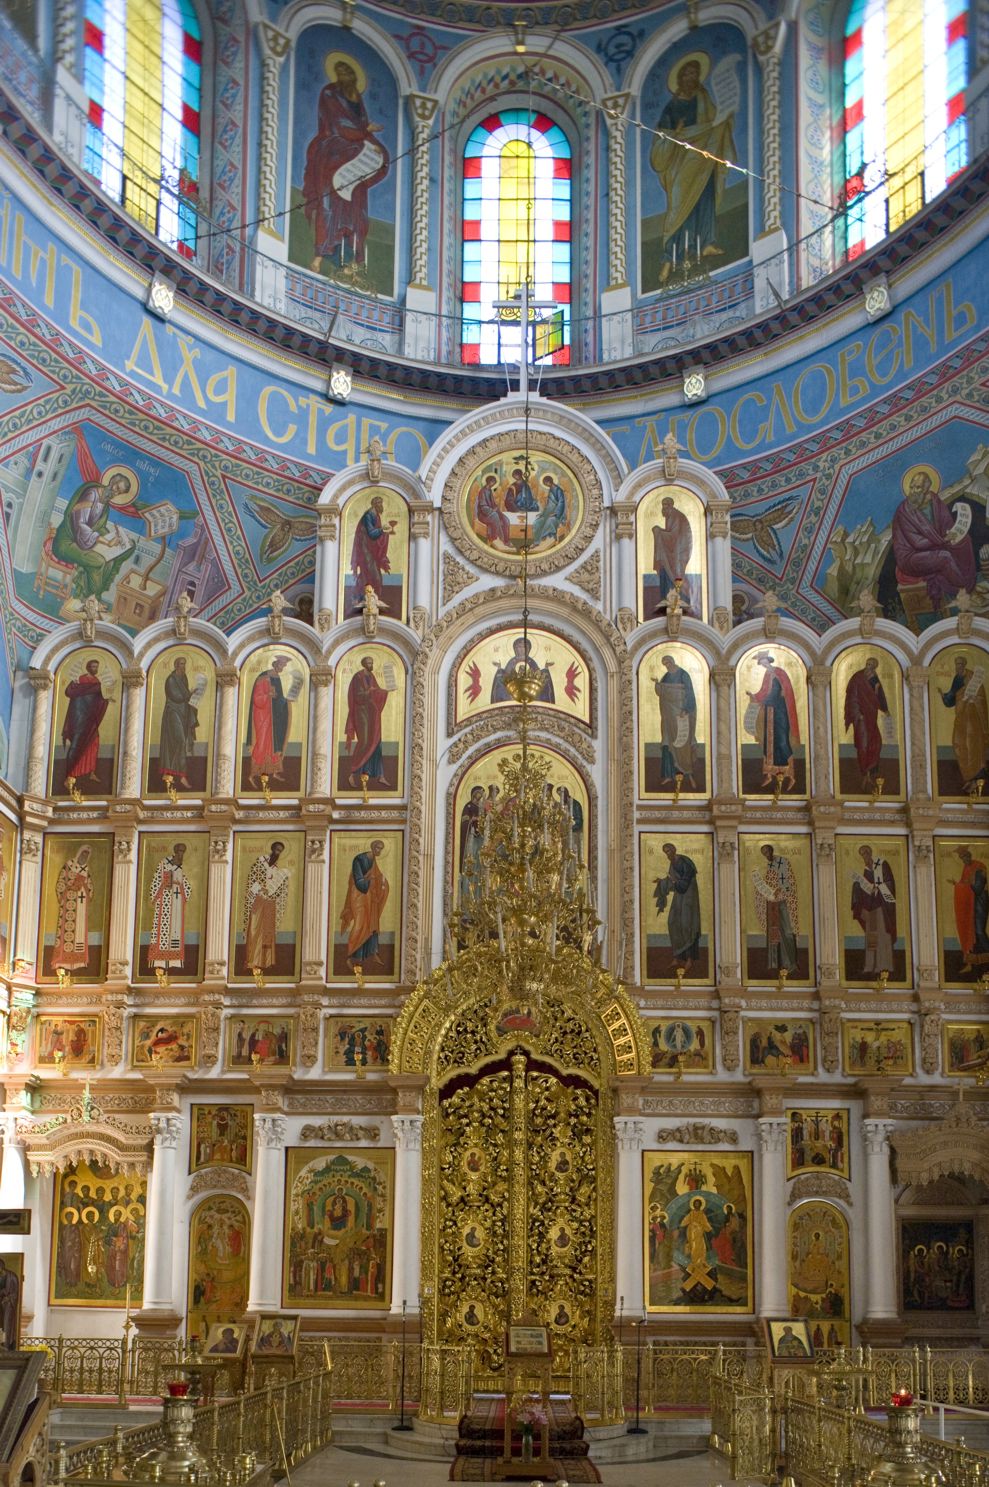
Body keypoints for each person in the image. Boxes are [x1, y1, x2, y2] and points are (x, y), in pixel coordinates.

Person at [650, 53, 737, 285]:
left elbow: (713, 124)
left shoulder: (703, 97)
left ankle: (705, 243)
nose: (691, 77)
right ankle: (670, 258)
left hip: (703, 159)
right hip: (680, 163)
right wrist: (676, 135)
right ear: (679, 78)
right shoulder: (671, 107)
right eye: (686, 73)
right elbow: (662, 141)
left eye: (694, 73)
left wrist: (723, 121)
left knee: (704, 199)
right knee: (678, 205)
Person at [303, 55, 389, 275]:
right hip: (332, 152)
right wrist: (365, 130)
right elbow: (338, 124)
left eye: (349, 74)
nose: (347, 78)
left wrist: (373, 147)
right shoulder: (330, 93)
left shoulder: (356, 97)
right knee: (328, 206)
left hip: (355, 158)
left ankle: (354, 260)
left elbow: (359, 126)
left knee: (356, 210)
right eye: (343, 74)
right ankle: (319, 256)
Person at [891, 465, 976, 610]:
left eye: (918, 487)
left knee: (965, 541)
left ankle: (969, 581)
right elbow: (916, 543)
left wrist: (952, 534)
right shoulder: (904, 511)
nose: (913, 491)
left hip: (934, 544)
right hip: (911, 557)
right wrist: (943, 540)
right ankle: (964, 591)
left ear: (927, 488)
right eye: (912, 487)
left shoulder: (935, 501)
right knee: (944, 557)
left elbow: (946, 523)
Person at [51, 467, 135, 601]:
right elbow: (80, 526)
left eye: (119, 492)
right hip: (66, 542)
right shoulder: (91, 494)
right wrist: (106, 542)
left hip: (82, 541)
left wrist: (114, 537)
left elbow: (98, 527)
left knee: (109, 561)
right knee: (98, 561)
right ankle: (88, 598)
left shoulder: (104, 503)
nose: (115, 493)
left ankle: (93, 597)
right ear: (112, 481)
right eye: (116, 488)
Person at [747, 651, 800, 790]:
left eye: (764, 662)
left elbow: (783, 692)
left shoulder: (780, 673)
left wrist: (762, 700)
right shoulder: (767, 675)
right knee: (768, 743)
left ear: (768, 660)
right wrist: (754, 696)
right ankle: (769, 775)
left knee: (783, 742)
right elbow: (764, 692)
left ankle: (792, 776)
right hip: (769, 713)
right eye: (761, 663)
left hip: (781, 713)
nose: (763, 665)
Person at [940, 653, 989, 793]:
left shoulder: (973, 677)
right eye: (956, 664)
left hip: (973, 717)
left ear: (965, 665)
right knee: (958, 743)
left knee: (972, 744)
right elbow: (952, 696)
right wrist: (945, 696)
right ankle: (968, 777)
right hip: (961, 716)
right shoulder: (957, 678)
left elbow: (981, 697)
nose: (958, 666)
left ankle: (977, 777)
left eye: (960, 664)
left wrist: (974, 699)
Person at [339, 839, 389, 969]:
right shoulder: (359, 859)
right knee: (360, 924)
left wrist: (382, 883)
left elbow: (376, 876)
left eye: (381, 849)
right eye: (378, 848)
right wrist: (370, 881)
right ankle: (351, 956)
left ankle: (372, 953)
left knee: (372, 923)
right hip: (359, 895)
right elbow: (359, 880)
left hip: (371, 896)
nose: (379, 851)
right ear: (373, 847)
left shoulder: (373, 861)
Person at [653, 841, 701, 974]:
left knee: (687, 925)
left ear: (673, 850)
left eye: (668, 851)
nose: (667, 854)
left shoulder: (685, 862)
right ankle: (677, 958)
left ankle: (690, 960)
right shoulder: (672, 863)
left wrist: (673, 881)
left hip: (689, 897)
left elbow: (684, 882)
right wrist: (662, 882)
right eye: (665, 852)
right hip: (679, 897)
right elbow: (672, 880)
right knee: (673, 922)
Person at [843, 656, 890, 789]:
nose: (868, 667)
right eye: (867, 664)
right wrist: (857, 714)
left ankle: (871, 769)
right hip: (862, 718)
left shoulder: (874, 679)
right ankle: (864, 772)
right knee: (863, 744)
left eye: (871, 666)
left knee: (876, 742)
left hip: (872, 716)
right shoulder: (857, 678)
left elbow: (880, 696)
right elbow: (851, 698)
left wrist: (885, 709)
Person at [751, 843, 799, 975]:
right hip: (771, 904)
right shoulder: (769, 866)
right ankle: (774, 963)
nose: (766, 856)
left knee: (786, 932)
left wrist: (780, 890)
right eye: (764, 854)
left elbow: (790, 883)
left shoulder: (783, 862)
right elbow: (768, 884)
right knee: (773, 933)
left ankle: (790, 964)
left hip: (784, 903)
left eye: (767, 852)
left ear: (772, 850)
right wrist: (760, 887)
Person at [61, 657, 110, 786]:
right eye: (93, 666)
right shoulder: (81, 680)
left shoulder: (96, 681)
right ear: (88, 667)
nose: (95, 669)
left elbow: (97, 698)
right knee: (77, 743)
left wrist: (105, 700)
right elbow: (71, 692)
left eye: (97, 667)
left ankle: (90, 771)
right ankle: (70, 775)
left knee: (94, 741)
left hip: (90, 717)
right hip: (79, 717)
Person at [243, 842, 291, 971]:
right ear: (272, 849)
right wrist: (261, 889)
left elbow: (277, 887)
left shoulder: (276, 869)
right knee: (255, 928)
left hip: (270, 902)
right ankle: (252, 960)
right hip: (258, 900)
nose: (278, 853)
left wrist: (279, 888)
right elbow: (251, 879)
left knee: (267, 931)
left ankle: (266, 961)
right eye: (276, 850)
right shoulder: (260, 862)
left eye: (280, 851)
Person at [850, 844, 896, 977]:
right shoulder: (866, 870)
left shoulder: (881, 865)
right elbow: (866, 888)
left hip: (882, 907)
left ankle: (883, 966)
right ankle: (870, 966)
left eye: (865, 853)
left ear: (870, 853)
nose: (864, 856)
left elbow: (890, 883)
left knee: (882, 935)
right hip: (871, 908)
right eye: (862, 854)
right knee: (871, 937)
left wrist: (878, 888)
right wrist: (858, 885)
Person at [344, 655, 389, 787]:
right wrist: (369, 692)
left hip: (372, 712)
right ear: (364, 664)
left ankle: (380, 775)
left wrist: (384, 692)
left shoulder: (372, 676)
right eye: (369, 663)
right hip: (361, 713)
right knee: (364, 742)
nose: (371, 664)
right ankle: (352, 774)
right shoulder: (358, 677)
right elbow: (357, 696)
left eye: (372, 662)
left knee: (377, 741)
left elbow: (375, 692)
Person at [246, 655, 291, 786]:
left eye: (284, 666)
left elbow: (278, 698)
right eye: (281, 665)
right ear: (276, 664)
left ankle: (274, 771)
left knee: (274, 742)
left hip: (273, 716)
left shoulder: (277, 678)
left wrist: (286, 700)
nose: (282, 668)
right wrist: (268, 695)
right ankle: (253, 773)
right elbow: (257, 698)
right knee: (262, 742)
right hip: (262, 715)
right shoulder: (263, 677)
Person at [654, 653, 699, 786]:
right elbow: (661, 691)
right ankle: (669, 774)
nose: (667, 666)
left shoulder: (683, 674)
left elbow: (690, 693)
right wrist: (657, 683)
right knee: (668, 743)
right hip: (668, 716)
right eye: (665, 664)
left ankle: (689, 774)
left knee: (683, 743)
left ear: (672, 661)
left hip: (681, 714)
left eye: (668, 663)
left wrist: (686, 709)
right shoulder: (666, 676)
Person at [147, 843, 191, 972]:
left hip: (176, 902)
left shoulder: (180, 867)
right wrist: (166, 884)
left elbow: (186, 885)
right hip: (164, 901)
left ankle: (174, 962)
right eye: (180, 851)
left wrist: (183, 888)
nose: (181, 854)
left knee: (175, 932)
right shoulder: (164, 863)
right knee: (163, 930)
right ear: (176, 851)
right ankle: (159, 961)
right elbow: (156, 880)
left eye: (183, 852)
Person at [51, 845, 94, 974]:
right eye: (83, 854)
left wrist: (85, 890)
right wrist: (69, 889)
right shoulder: (68, 866)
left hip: (81, 906)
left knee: (80, 932)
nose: (84, 857)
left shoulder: (86, 870)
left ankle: (79, 961)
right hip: (69, 905)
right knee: (67, 931)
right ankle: (62, 960)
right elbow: (60, 883)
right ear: (79, 853)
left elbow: (91, 888)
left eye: (87, 855)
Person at [158, 656, 198, 789]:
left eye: (184, 664)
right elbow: (176, 696)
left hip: (183, 713)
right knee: (179, 740)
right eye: (181, 664)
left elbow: (185, 696)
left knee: (180, 742)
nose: (183, 666)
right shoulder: (171, 680)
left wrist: (191, 695)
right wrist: (190, 694)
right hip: (172, 713)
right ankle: (180, 775)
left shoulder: (183, 677)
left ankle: (172, 773)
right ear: (175, 665)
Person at [950, 844, 989, 975]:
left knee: (979, 932)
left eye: (965, 857)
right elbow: (965, 884)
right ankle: (971, 964)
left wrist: (962, 886)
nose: (964, 860)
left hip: (979, 904)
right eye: (962, 858)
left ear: (970, 855)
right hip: (969, 906)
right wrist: (957, 885)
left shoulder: (979, 867)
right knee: (970, 934)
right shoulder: (966, 868)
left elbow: (978, 888)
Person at [350, 495, 396, 604]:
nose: (381, 505)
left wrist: (383, 531)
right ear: (374, 504)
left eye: (381, 503)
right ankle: (364, 598)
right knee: (372, 576)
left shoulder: (376, 515)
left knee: (369, 575)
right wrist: (382, 530)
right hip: (365, 550)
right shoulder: (369, 515)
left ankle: (364, 597)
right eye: (379, 503)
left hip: (370, 551)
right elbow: (371, 534)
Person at [652, 497, 694, 610]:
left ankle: (680, 598)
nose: (663, 508)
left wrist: (658, 531)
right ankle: (666, 597)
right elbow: (670, 535)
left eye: (666, 505)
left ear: (670, 506)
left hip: (678, 552)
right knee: (665, 569)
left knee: (676, 572)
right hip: (671, 551)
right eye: (663, 505)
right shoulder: (671, 516)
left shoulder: (676, 516)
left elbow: (674, 536)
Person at [491, 638, 555, 704]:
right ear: (515, 649)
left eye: (524, 647)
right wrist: (499, 668)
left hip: (530, 689)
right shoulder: (512, 661)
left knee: (545, 676)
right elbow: (506, 675)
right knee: (500, 678)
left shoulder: (531, 661)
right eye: (519, 647)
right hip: (513, 690)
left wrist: (546, 668)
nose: (522, 649)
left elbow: (537, 674)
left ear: (528, 649)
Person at [531, 474, 568, 547]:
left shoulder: (558, 490)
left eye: (546, 483)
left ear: (549, 481)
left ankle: (541, 539)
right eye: (544, 484)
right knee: (537, 522)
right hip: (548, 513)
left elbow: (561, 503)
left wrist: (555, 513)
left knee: (550, 521)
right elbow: (548, 505)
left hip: (558, 515)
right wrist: (543, 513)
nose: (546, 485)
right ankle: (536, 541)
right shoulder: (551, 490)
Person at [474, 473, 510, 547]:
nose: (494, 483)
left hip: (491, 511)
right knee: (495, 516)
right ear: (489, 481)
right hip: (483, 515)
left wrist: (497, 509)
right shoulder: (482, 491)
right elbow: (483, 507)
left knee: (505, 519)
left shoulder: (489, 490)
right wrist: (492, 510)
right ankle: (495, 538)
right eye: (493, 482)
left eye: (495, 482)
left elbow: (493, 503)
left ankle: (506, 540)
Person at [0, 1259, 19, 1349]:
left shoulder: (13, 1277)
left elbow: (15, 1294)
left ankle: (5, 1345)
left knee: (6, 1325)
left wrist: (7, 1298)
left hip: (8, 1307)